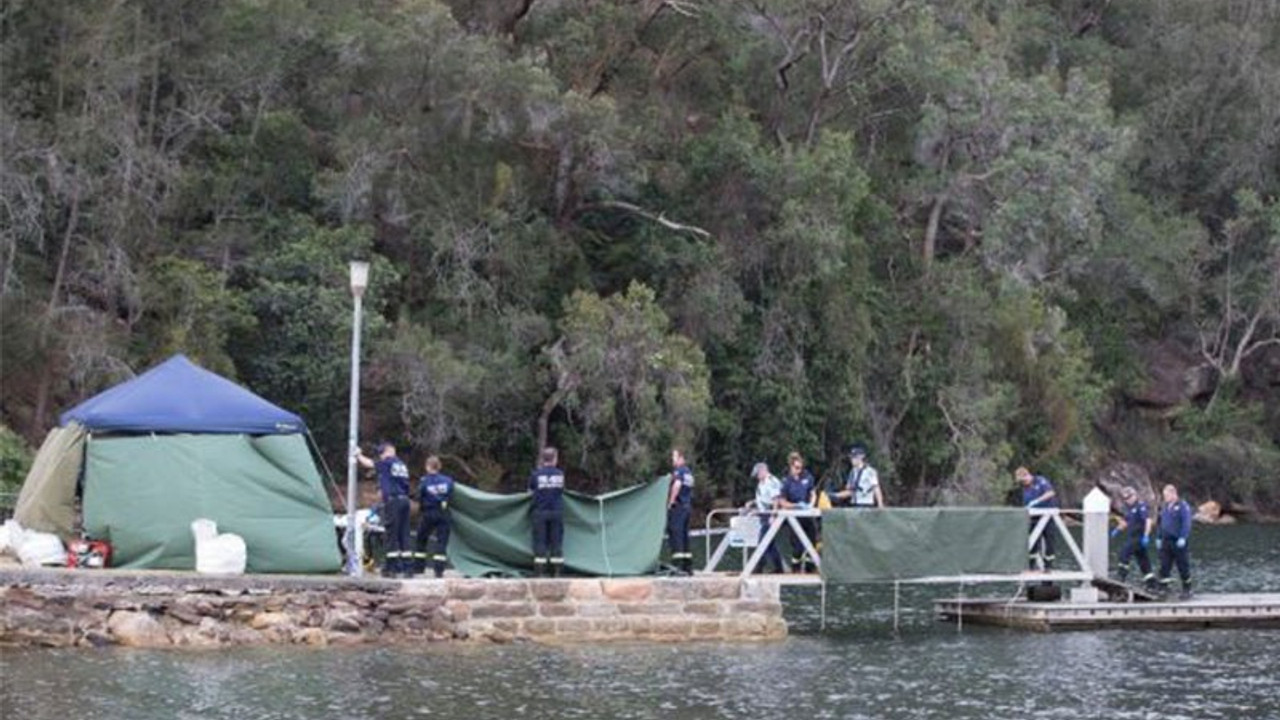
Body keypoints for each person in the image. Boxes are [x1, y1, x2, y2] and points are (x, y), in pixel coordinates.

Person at [356, 441, 411, 577]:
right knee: (403, 535)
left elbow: (369, 464)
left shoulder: (388, 463)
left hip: (393, 501)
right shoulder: (401, 465)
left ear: (388, 451)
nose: (380, 456)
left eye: (381, 453)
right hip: (405, 501)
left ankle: (391, 569)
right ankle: (407, 568)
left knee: (391, 535)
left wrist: (358, 454)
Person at [414, 455, 454, 578]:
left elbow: (419, 496)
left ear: (427, 467)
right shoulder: (448, 480)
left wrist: (420, 510)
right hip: (444, 513)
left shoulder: (424, 481)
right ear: (439, 466)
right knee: (441, 542)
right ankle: (439, 571)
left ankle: (419, 568)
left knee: (421, 539)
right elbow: (451, 496)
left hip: (429, 513)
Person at [777, 451, 817, 572]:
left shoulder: (807, 476)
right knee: (797, 546)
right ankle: (796, 569)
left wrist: (811, 504)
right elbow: (782, 502)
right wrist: (795, 506)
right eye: (796, 468)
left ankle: (811, 569)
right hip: (794, 516)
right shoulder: (786, 481)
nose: (799, 470)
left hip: (807, 515)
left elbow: (812, 493)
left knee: (812, 540)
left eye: (800, 468)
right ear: (791, 466)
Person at [529, 446, 566, 577]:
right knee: (556, 542)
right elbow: (561, 491)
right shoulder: (560, 475)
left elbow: (531, 490)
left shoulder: (535, 475)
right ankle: (557, 573)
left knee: (540, 542)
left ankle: (539, 573)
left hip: (540, 512)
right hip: (556, 512)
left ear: (543, 459)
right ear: (555, 459)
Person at [1111, 485, 1155, 589]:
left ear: (1134, 496)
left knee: (1124, 553)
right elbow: (1126, 522)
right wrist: (1117, 530)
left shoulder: (1141, 506)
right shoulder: (1129, 509)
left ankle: (1121, 577)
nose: (1127, 500)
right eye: (1125, 499)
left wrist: (1146, 536)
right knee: (1143, 561)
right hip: (1132, 537)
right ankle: (1151, 583)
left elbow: (1148, 521)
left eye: (1128, 498)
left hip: (1138, 537)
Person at [743, 461, 784, 574]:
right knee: (770, 544)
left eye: (757, 474)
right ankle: (779, 568)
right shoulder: (762, 483)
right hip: (764, 514)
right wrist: (752, 503)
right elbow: (763, 498)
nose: (756, 477)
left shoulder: (771, 481)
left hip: (771, 515)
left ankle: (758, 567)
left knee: (762, 541)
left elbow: (775, 499)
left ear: (763, 471)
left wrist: (773, 515)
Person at [1156, 483, 1194, 599]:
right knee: (1164, 565)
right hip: (1166, 541)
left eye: (1166, 495)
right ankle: (1163, 588)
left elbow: (1186, 523)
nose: (1165, 498)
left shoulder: (1183, 506)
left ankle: (1187, 589)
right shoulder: (1165, 507)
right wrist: (1158, 537)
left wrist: (1183, 537)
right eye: (1164, 496)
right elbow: (1161, 524)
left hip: (1178, 541)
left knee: (1182, 565)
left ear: (1173, 494)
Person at [1016, 466, 1058, 570]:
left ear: (1027, 475)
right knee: (1032, 542)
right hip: (1034, 518)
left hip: (1047, 517)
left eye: (1024, 480)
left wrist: (1037, 501)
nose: (1023, 483)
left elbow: (1050, 493)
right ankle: (1031, 565)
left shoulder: (1040, 481)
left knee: (1049, 541)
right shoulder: (1025, 488)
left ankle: (1048, 566)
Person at [667, 448, 695, 575]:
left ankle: (677, 566)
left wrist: (671, 501)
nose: (672, 460)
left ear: (681, 458)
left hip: (678, 507)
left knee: (676, 533)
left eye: (674, 457)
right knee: (685, 536)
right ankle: (687, 566)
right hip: (687, 507)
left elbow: (677, 485)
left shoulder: (679, 471)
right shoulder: (689, 473)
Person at [833, 444, 884, 509]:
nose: (852, 460)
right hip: (854, 504)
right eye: (851, 457)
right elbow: (851, 491)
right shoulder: (852, 472)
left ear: (861, 457)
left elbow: (876, 488)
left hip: (866, 504)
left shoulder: (870, 471)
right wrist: (835, 495)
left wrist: (880, 504)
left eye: (854, 457)